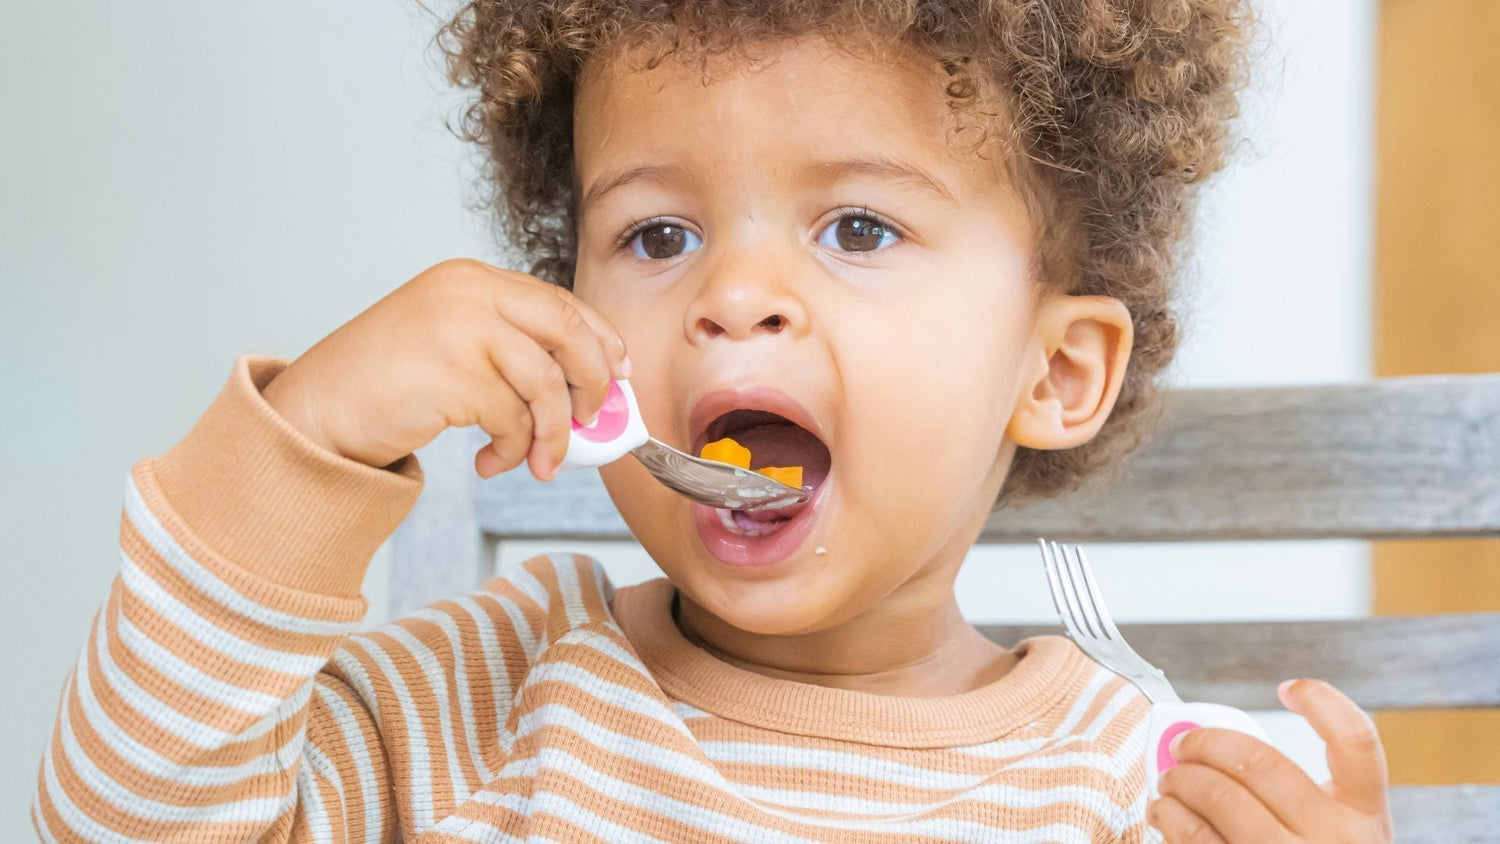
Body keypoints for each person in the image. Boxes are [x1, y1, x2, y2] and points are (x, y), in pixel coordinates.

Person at [33, 1, 1395, 841]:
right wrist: (317, 430)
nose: (735, 296)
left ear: (1054, 372)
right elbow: (129, 820)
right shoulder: (495, 689)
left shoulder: (1122, 790)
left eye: (858, 228)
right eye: (659, 231)